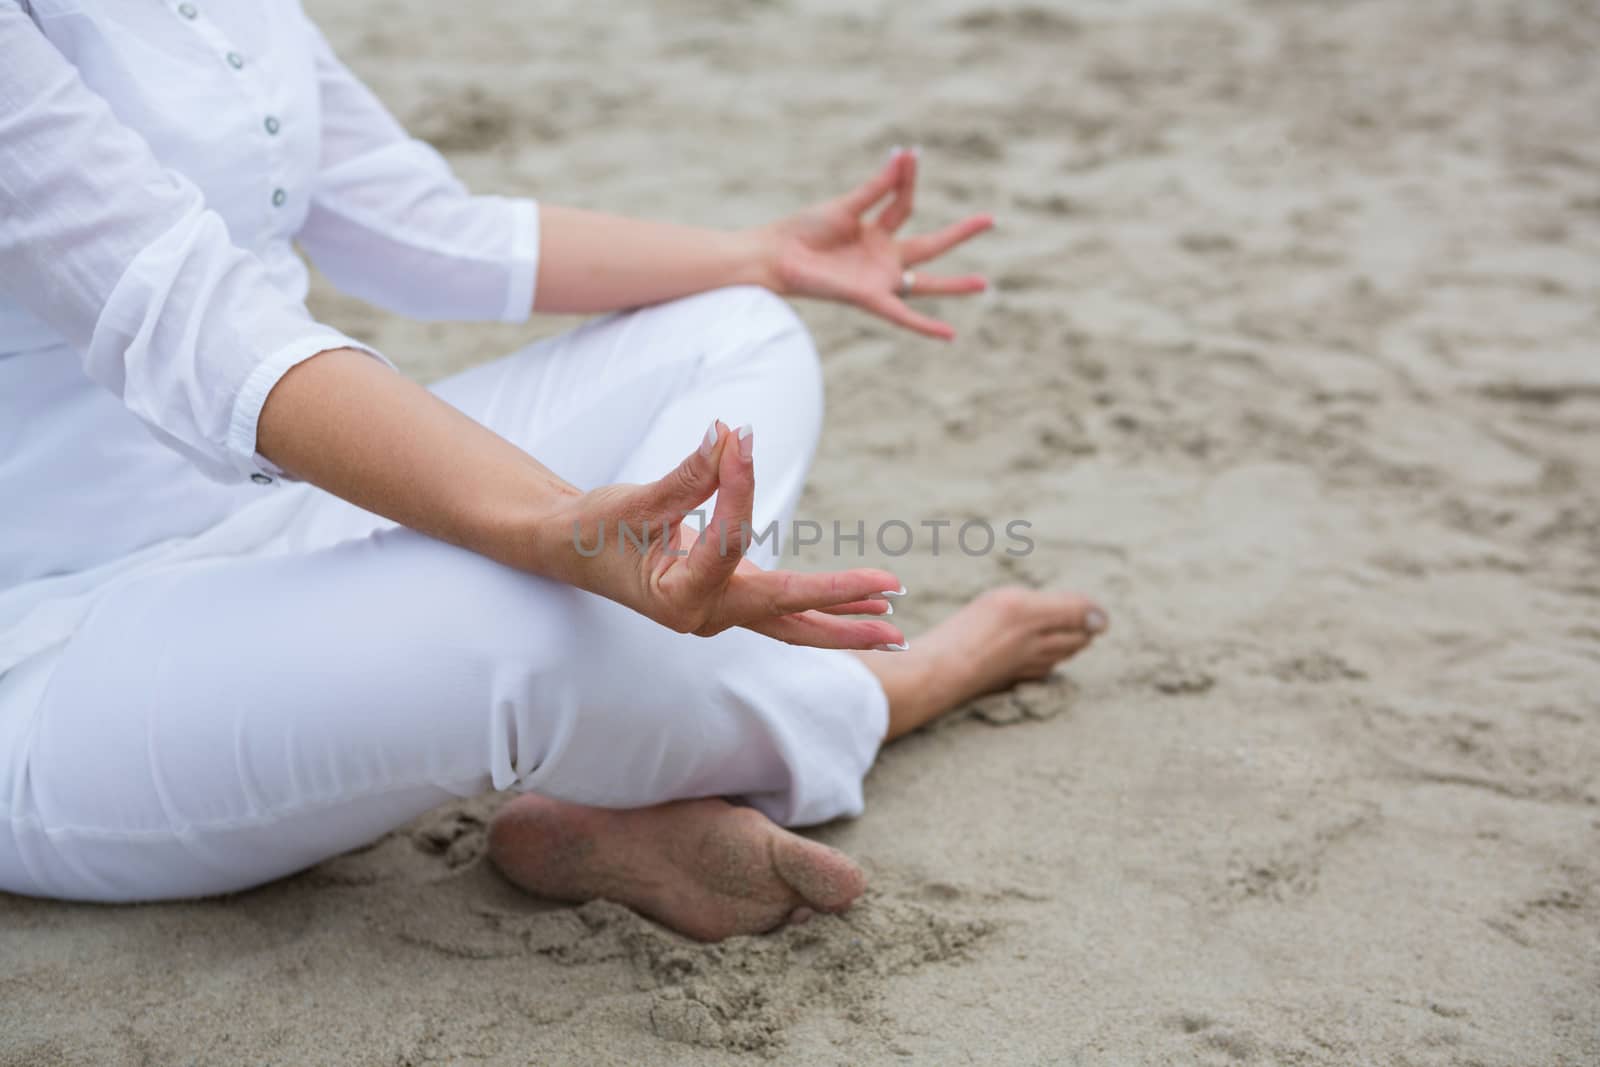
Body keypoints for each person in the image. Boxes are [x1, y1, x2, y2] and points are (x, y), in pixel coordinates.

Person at [0, 0, 1108, 941]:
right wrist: (554, 525)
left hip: (287, 520)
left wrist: (761, 256)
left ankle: (633, 754)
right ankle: (864, 698)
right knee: (533, 622)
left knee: (737, 335)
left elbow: (424, 232)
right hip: (52, 653)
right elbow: (198, 328)